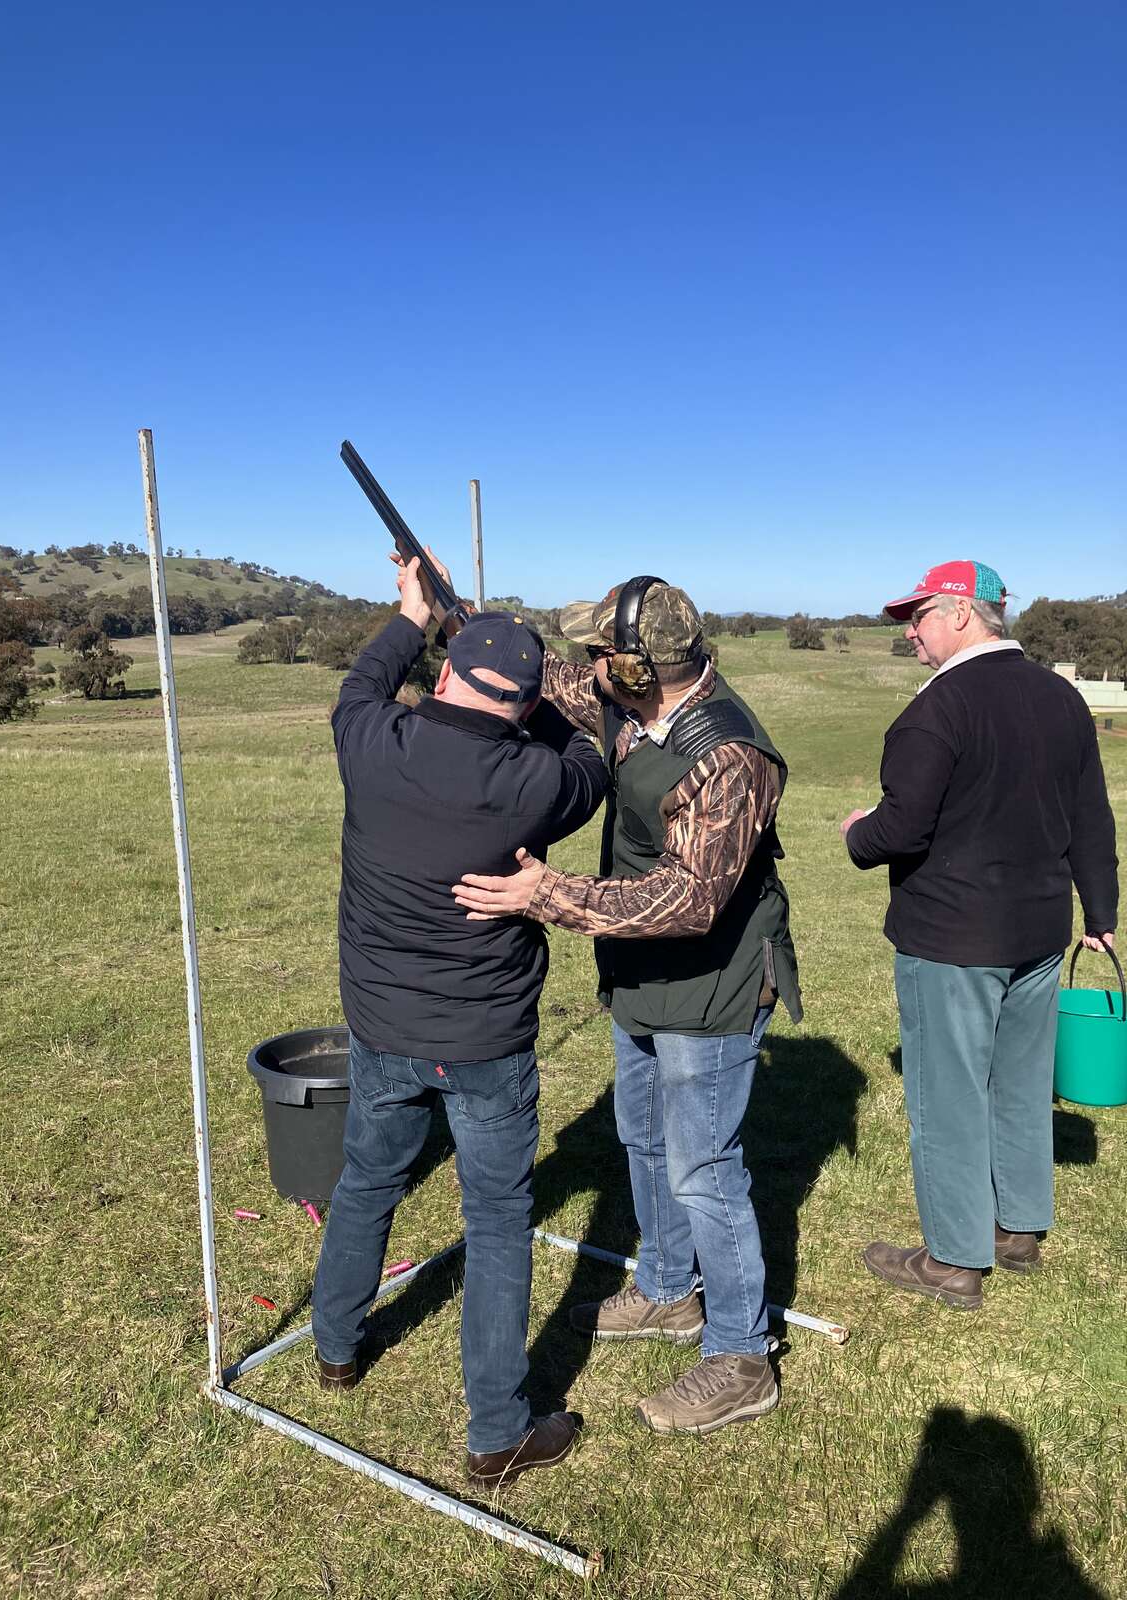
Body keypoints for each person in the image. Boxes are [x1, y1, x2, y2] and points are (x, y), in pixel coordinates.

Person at [453, 577, 802, 1435]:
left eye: (602, 652)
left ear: (642, 667)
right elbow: (545, 679)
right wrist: (455, 609)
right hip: (644, 973)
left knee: (704, 1167)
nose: (587, 666)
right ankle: (665, 1293)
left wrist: (546, 894)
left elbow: (687, 901)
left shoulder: (729, 754)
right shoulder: (629, 701)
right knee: (642, 1136)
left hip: (710, 980)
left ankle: (739, 1354)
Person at [312, 551, 607, 1489]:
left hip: (383, 1028)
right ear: (520, 706)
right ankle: (496, 1429)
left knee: (367, 1183)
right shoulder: (539, 784)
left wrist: (416, 610)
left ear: (440, 673)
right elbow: (592, 746)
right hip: (485, 1042)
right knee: (497, 1222)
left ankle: (336, 1347)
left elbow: (363, 679)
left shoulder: (370, 739)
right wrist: (535, 691)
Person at [840, 560, 1118, 1309]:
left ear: (963, 612)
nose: (911, 632)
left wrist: (856, 834)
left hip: (953, 936)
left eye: (920, 615)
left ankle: (955, 1260)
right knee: (1022, 1083)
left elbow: (900, 826)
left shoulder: (939, 707)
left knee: (950, 1095)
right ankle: (1016, 1227)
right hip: (1038, 928)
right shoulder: (1064, 699)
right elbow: (1092, 814)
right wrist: (1100, 915)